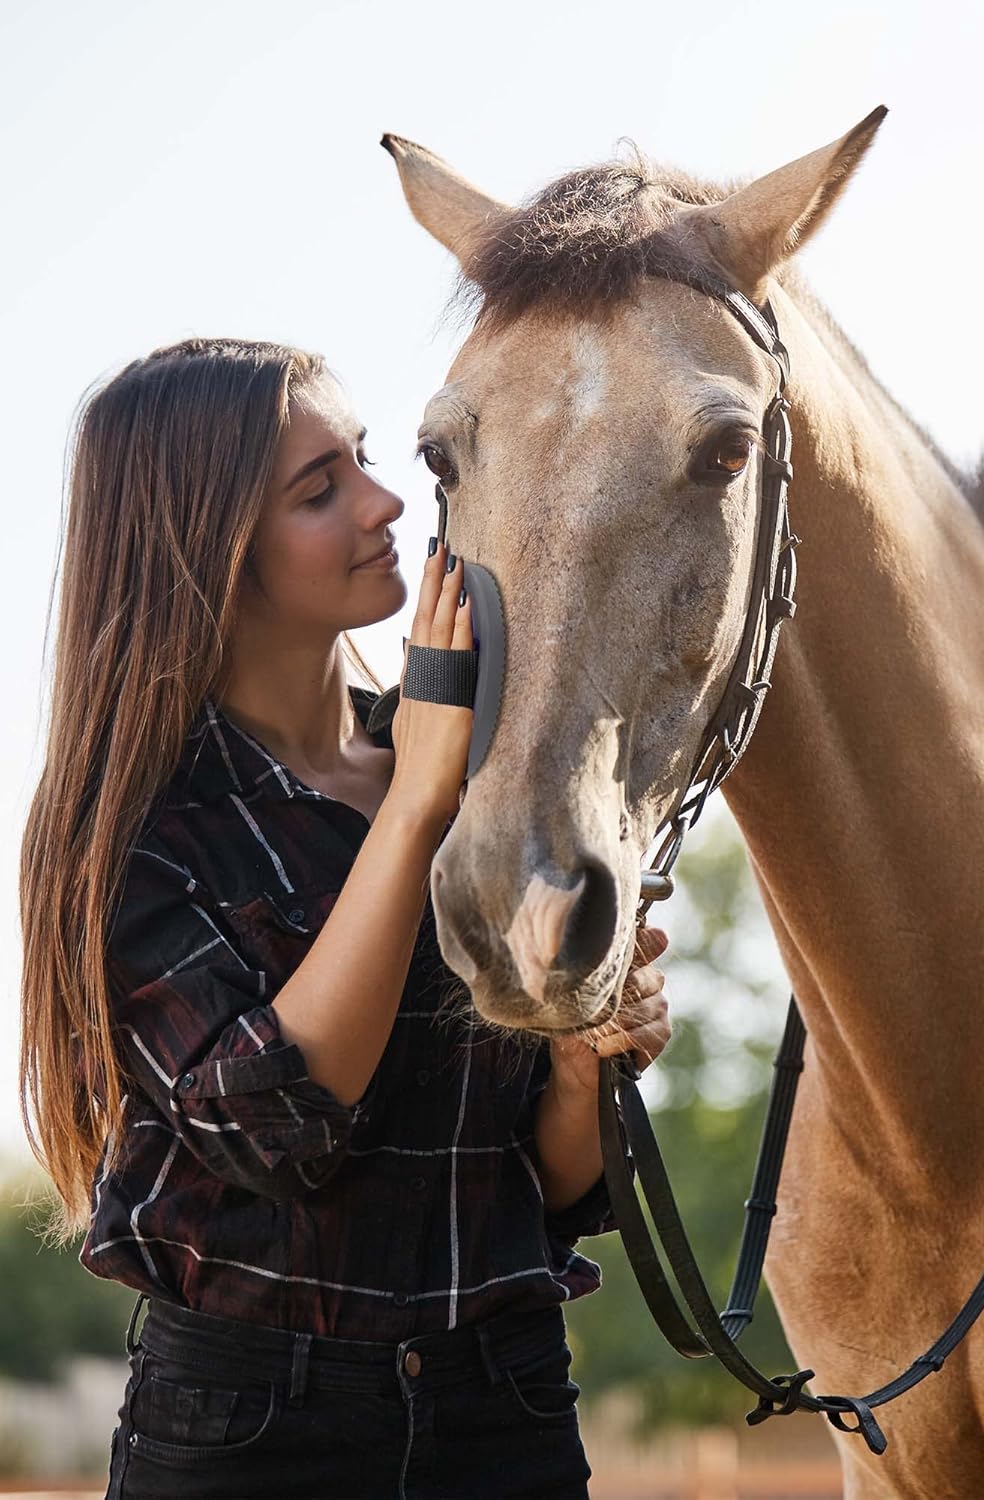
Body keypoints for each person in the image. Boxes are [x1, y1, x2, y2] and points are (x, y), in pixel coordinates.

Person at [18, 337, 671, 1499]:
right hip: (250, 1433)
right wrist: (414, 801)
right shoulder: (138, 834)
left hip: (505, 1408)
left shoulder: (490, 781)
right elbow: (280, 1130)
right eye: (320, 489)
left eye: (364, 459)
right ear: (209, 550)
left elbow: (555, 1189)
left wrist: (585, 1066)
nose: (385, 503)